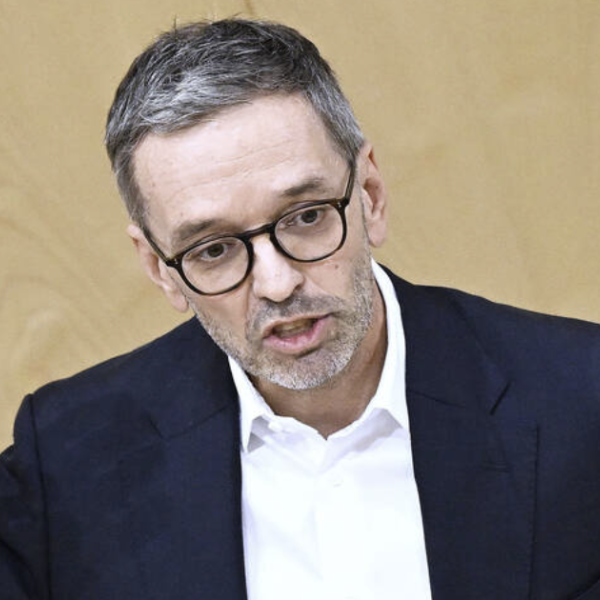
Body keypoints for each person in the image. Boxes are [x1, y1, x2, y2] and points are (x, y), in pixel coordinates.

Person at [1, 18, 599, 600]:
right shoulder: (65, 463)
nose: (278, 283)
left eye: (306, 216)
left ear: (370, 195)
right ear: (162, 270)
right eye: (213, 250)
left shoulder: (583, 400)